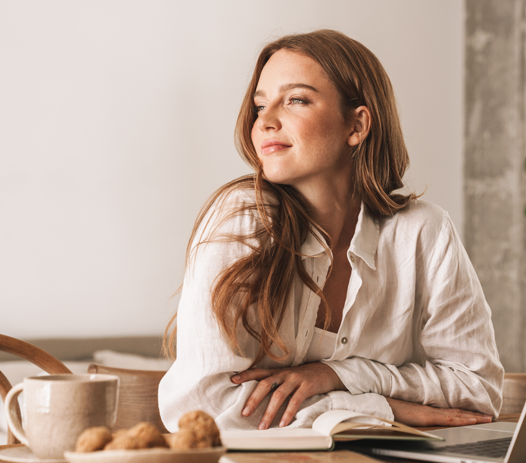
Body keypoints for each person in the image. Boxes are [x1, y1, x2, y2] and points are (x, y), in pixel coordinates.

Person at [158, 29, 504, 432]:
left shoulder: (424, 231)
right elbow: (201, 409)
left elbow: (477, 391)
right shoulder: (241, 221)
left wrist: (343, 375)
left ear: (356, 125)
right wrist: (382, 410)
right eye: (260, 105)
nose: (265, 122)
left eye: (296, 100)